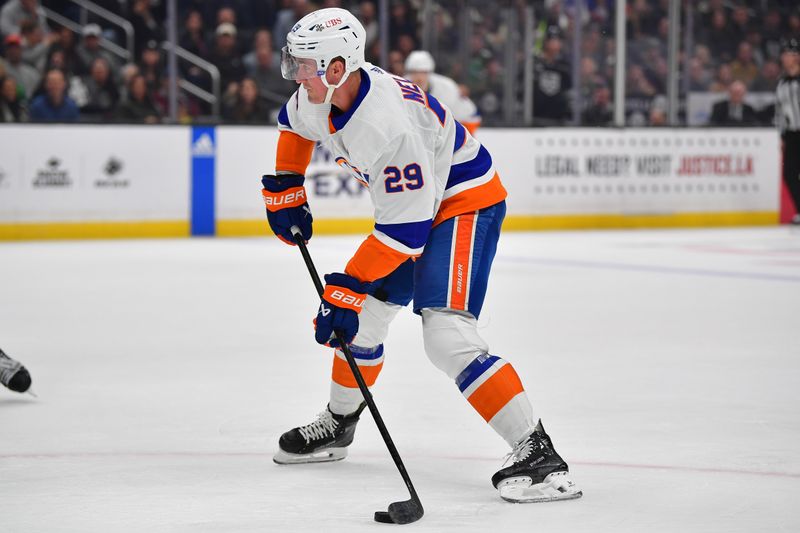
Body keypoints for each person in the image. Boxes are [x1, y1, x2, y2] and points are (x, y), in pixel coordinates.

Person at [263, 7, 582, 504]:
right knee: (365, 319)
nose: (297, 75)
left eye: (307, 65)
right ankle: (340, 424)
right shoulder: (317, 93)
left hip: (463, 201)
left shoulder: (387, 125)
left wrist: (345, 287)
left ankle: (538, 454)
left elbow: (407, 231)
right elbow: (295, 127)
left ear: (338, 67)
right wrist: (286, 184)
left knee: (445, 333)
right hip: (417, 209)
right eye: (297, 63)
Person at [403, 50, 481, 135]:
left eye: (423, 72)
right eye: (414, 72)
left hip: (458, 125)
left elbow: (464, 114)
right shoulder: (400, 85)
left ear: (430, 72)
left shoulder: (447, 87)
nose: (419, 77)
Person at [776, 37, 800, 225]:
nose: (787, 58)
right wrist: (782, 135)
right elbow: (780, 112)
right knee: (789, 173)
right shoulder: (782, 83)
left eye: (791, 54)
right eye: (785, 54)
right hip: (792, 133)